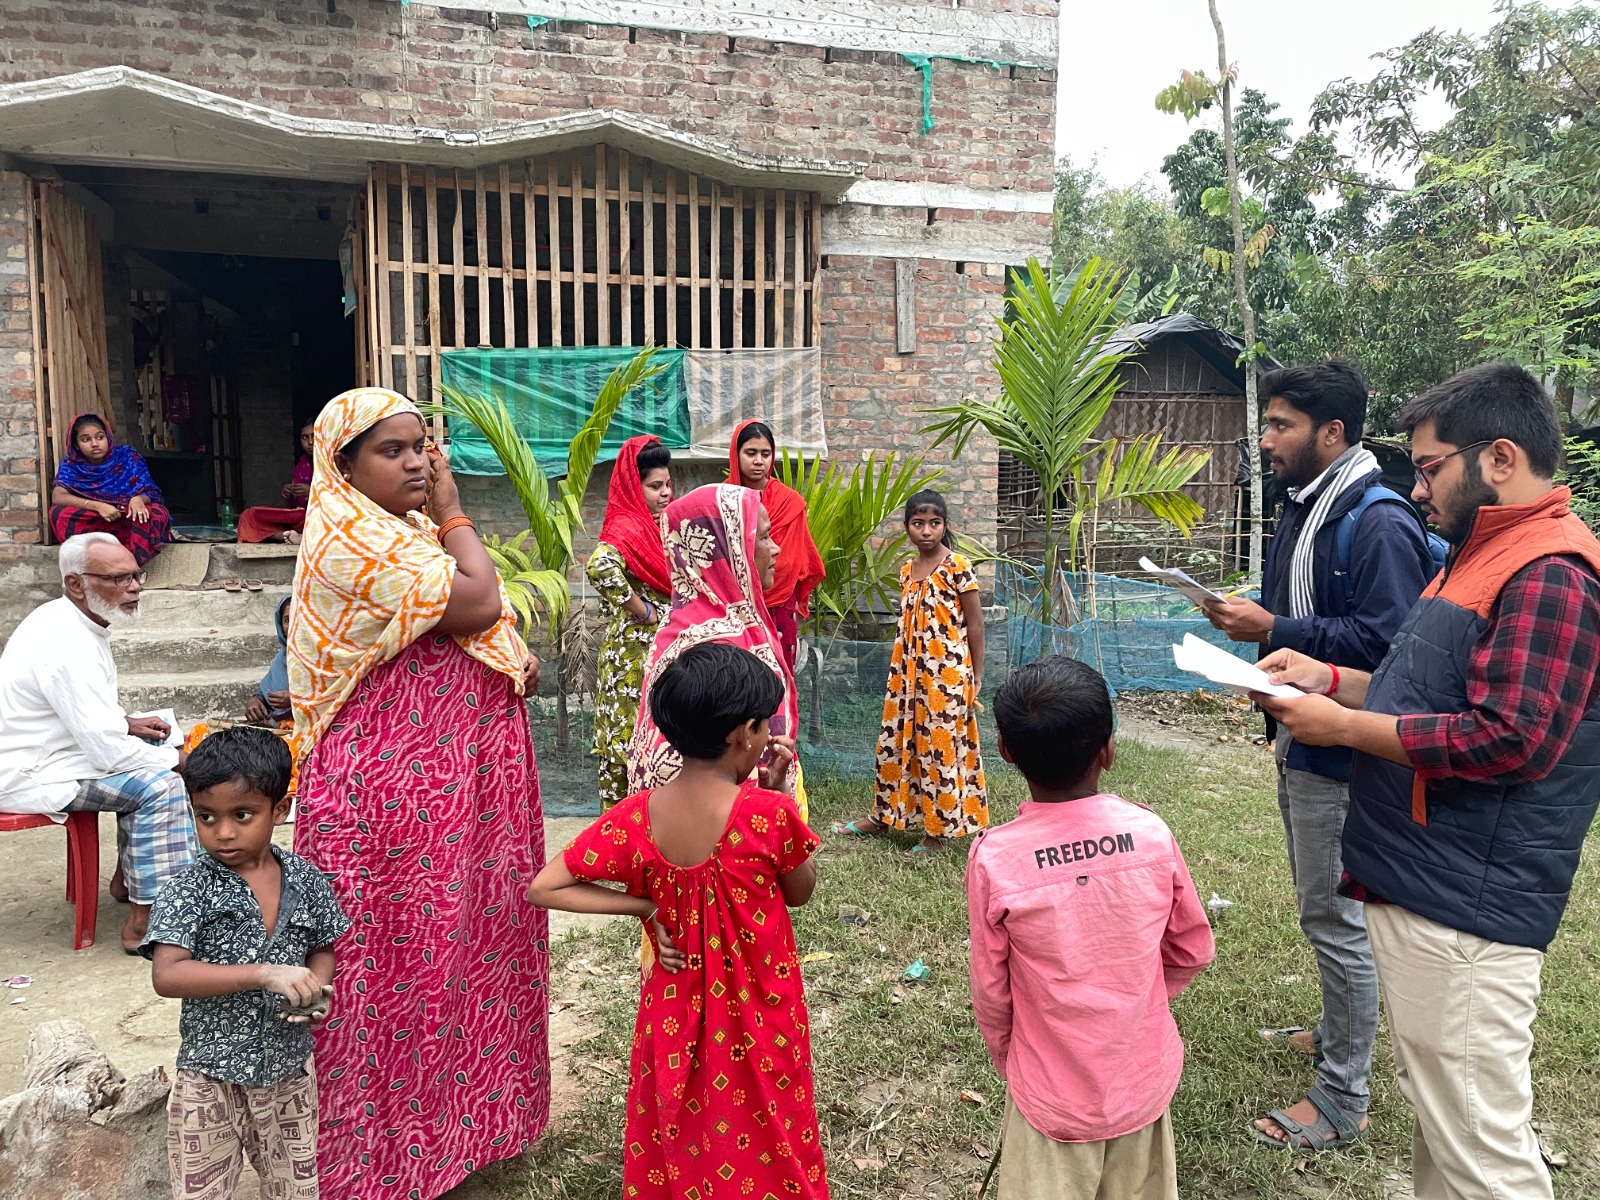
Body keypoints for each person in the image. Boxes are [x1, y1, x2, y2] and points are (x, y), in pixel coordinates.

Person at [1255, 362, 1600, 1200]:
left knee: (1483, 1154)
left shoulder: (1551, 572)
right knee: (1445, 1129)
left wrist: (1344, 728)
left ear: (1501, 458)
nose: (1416, 488)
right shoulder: (1480, 557)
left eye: (1430, 467)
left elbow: (1510, 738)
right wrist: (1330, 681)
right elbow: (1423, 694)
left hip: (1469, 906)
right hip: (1428, 881)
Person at [288, 387, 548, 1199]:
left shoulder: (399, 534)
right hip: (388, 802)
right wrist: (455, 508)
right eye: (392, 450)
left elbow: (472, 629)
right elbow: (479, 599)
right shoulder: (351, 540)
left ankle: (460, 1134)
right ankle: (383, 1160)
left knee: (461, 952)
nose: (416, 463)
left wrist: (505, 659)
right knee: (395, 968)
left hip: (446, 794)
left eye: (421, 447)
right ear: (343, 465)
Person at [1201, 360, 1434, 1151]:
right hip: (1303, 734)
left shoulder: (1377, 521)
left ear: (1331, 433)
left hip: (1346, 749)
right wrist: (1255, 620)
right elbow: (1303, 613)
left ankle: (1343, 1098)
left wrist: (1276, 630)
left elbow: (1393, 652)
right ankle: (1338, 1036)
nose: (1266, 440)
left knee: (1336, 918)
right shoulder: (1305, 507)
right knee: (1326, 910)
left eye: (1282, 425)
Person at [528, 642, 826, 1200]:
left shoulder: (636, 815)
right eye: (764, 725)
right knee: (771, 1118)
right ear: (743, 734)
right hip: (762, 1006)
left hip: (673, 1007)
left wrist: (643, 906)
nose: (768, 736)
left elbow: (544, 886)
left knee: (680, 1114)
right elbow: (800, 892)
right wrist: (779, 796)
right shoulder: (768, 815)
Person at [968, 655, 1215, 1200]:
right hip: (1141, 1087)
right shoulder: (1150, 834)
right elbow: (1193, 948)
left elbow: (991, 989)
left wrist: (1010, 1057)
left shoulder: (995, 859)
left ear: (1005, 750)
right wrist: (1140, 997)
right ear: (1108, 749)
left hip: (1049, 1098)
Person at [143, 726, 350, 1200]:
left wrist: (317, 989)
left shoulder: (306, 879)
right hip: (209, 1076)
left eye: (242, 815)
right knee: (201, 1190)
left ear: (279, 810)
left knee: (294, 1188)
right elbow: (168, 974)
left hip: (289, 1073)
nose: (223, 832)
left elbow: (322, 947)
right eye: (206, 816)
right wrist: (264, 973)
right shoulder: (189, 888)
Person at [0, 532, 196, 952]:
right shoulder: (65, 643)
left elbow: (79, 714)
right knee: (163, 784)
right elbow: (108, 753)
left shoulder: (73, 620)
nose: (135, 587)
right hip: (33, 771)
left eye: (136, 576)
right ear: (76, 584)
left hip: (59, 754)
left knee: (159, 742)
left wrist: (126, 722)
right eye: (119, 579)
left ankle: (131, 880)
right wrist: (181, 761)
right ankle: (146, 924)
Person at [628, 483, 802, 807]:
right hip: (721, 822)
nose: (776, 548)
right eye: (763, 537)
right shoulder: (723, 649)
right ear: (730, 548)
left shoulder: (682, 624)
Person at [834, 489, 988, 855]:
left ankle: (938, 831)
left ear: (945, 526)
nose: (926, 531)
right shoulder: (906, 570)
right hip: (905, 676)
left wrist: (976, 675)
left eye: (934, 523)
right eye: (918, 523)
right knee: (895, 743)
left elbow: (976, 623)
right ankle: (882, 816)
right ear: (907, 527)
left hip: (946, 677)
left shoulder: (958, 566)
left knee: (939, 749)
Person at [586, 434, 673, 809]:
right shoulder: (628, 526)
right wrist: (645, 612)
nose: (666, 493)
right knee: (625, 743)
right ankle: (619, 833)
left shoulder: (658, 527)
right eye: (655, 486)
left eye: (668, 484)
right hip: (631, 656)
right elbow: (599, 567)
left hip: (656, 653)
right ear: (633, 488)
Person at [728, 420, 825, 671]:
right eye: (750, 453)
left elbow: (794, 558)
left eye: (765, 454)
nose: (758, 461)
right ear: (736, 454)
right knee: (737, 674)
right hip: (734, 602)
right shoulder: (722, 499)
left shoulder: (789, 502)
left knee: (778, 674)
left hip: (780, 602)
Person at [50, 412, 172, 566]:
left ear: (107, 437)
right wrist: (98, 506)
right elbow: (58, 496)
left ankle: (132, 561)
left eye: (100, 437)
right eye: (86, 439)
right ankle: (93, 557)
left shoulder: (127, 456)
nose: (95, 444)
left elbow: (150, 491)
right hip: (100, 518)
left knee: (156, 513)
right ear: (76, 445)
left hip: (128, 515)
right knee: (58, 514)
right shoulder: (72, 465)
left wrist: (138, 500)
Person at [237, 417, 316, 544]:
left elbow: (344, 495)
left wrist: (312, 490)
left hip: (322, 517)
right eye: (305, 437)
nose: (310, 442)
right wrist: (290, 493)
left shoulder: (335, 461)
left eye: (314, 436)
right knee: (249, 515)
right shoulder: (301, 466)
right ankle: (290, 536)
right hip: (301, 517)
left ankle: (304, 537)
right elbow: (294, 505)